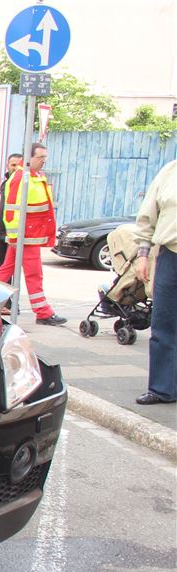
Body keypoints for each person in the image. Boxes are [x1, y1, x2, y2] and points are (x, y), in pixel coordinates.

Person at [0, 143, 66, 325]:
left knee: (6, 270)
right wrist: (14, 237)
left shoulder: (33, 176)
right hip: (25, 237)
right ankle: (42, 312)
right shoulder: (22, 178)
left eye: (45, 157)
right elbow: (10, 211)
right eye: (40, 157)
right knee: (33, 274)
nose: (44, 161)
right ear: (29, 158)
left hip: (27, 236)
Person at [131, 158, 177, 405]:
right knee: (163, 323)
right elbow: (148, 216)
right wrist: (143, 254)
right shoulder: (169, 171)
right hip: (171, 254)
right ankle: (162, 388)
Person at [0, 152, 24, 264]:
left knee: (10, 266)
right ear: (7, 166)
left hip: (14, 235)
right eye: (13, 165)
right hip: (1, 233)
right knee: (2, 266)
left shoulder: (24, 186)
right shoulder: (6, 183)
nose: (16, 168)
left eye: (18, 165)